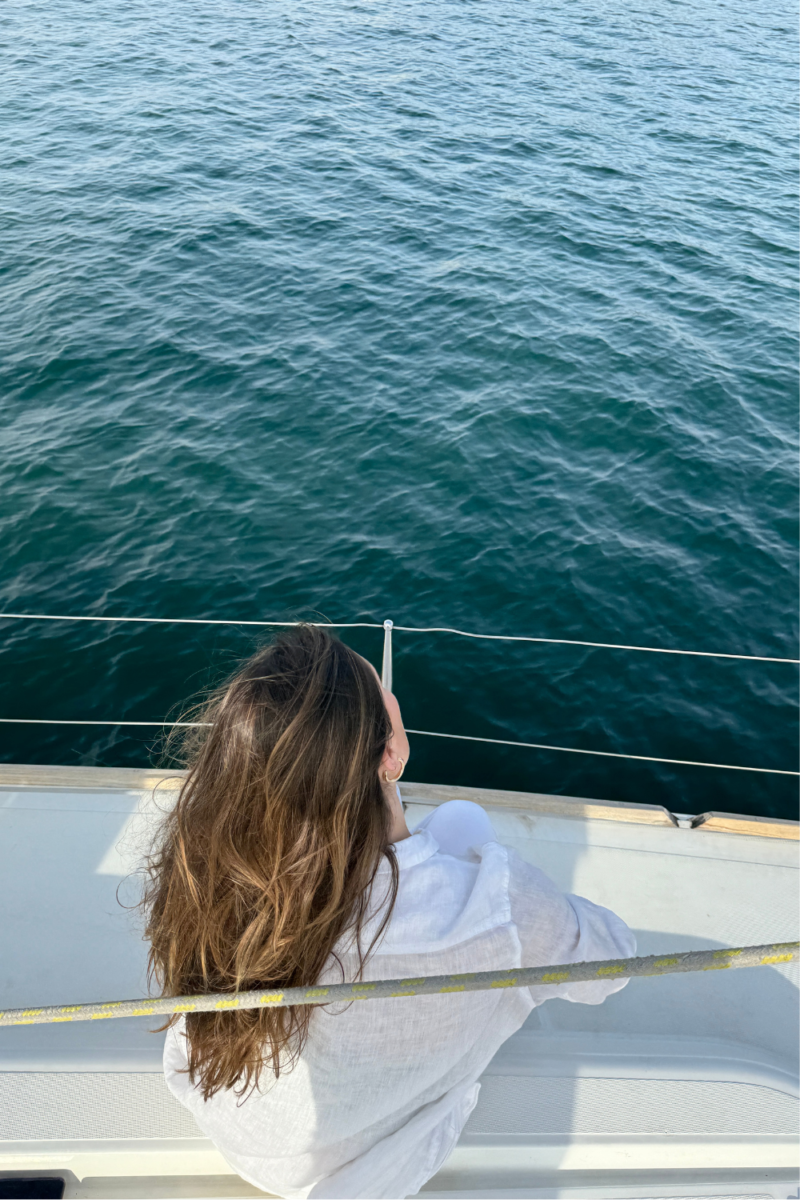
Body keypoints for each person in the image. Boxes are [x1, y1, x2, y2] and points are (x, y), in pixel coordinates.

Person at [144, 625, 635, 1199]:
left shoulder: (208, 864)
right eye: (386, 696)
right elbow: (613, 963)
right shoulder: (495, 906)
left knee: (455, 822)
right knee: (465, 823)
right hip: (368, 1171)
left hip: (243, 1137)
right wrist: (507, 887)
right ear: (392, 754)